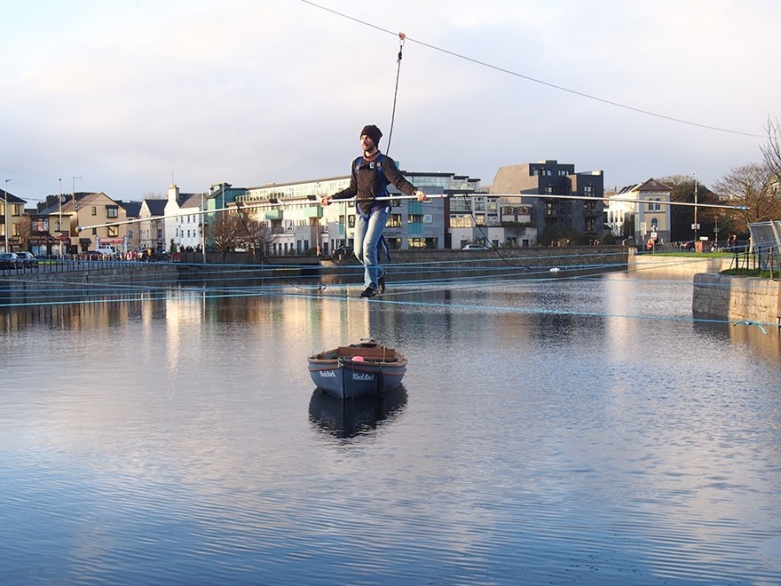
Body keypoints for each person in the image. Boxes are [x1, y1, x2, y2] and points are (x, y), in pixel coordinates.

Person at [321, 124, 427, 297]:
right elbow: (352, 190)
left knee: (369, 246)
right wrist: (332, 198)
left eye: (368, 137)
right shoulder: (356, 164)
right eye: (362, 137)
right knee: (358, 252)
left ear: (375, 141)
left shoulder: (384, 162)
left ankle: (371, 286)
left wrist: (416, 192)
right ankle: (378, 272)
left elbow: (399, 182)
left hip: (380, 208)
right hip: (362, 210)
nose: (364, 140)